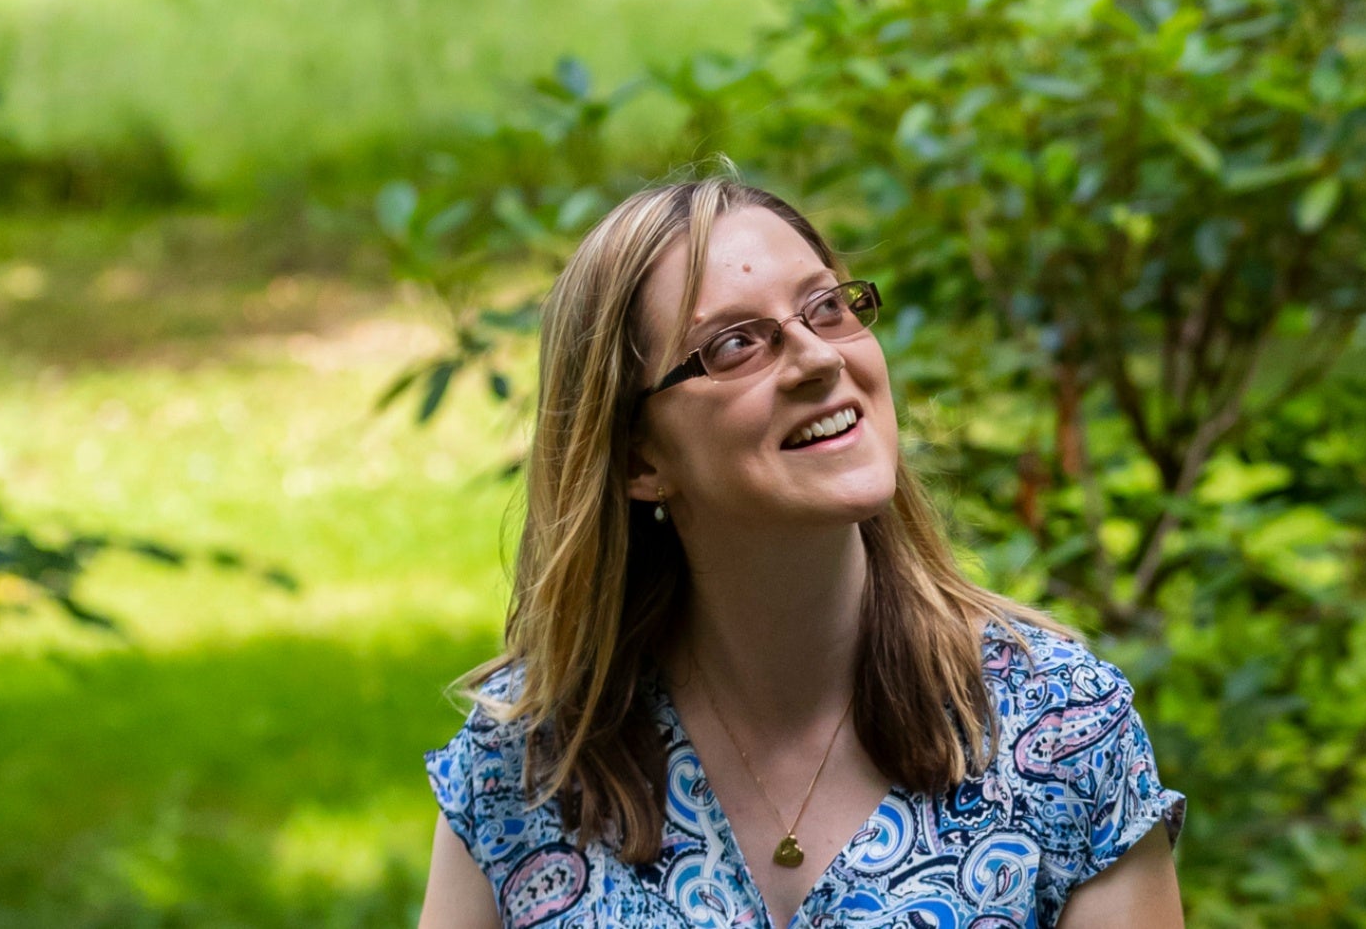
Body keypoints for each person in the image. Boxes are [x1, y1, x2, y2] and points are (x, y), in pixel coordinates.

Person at [415, 177, 1185, 929]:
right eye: (735, 345)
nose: (819, 359)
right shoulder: (526, 765)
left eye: (827, 307)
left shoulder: (1058, 733)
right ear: (638, 461)